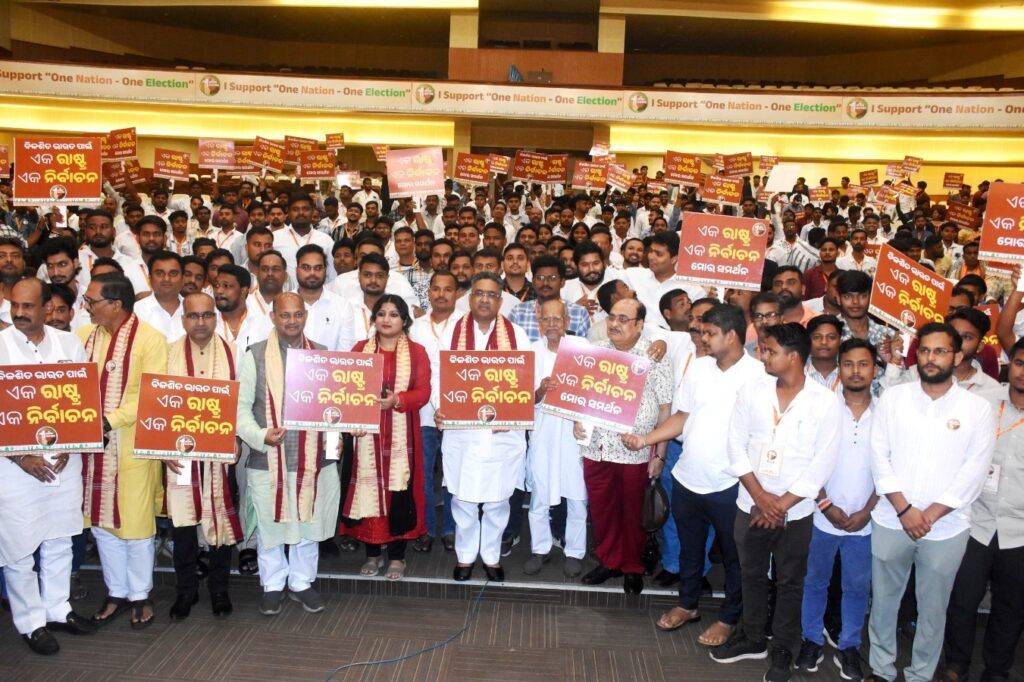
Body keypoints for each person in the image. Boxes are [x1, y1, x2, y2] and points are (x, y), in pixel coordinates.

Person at [627, 303, 763, 646]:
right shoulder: (699, 368)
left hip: (731, 484)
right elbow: (681, 416)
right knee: (690, 549)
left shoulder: (759, 376)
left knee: (735, 557)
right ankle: (687, 604)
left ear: (731, 336)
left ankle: (729, 617)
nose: (702, 339)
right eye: (701, 332)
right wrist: (646, 440)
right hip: (688, 477)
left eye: (710, 333)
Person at [867, 322, 995, 682]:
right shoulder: (893, 398)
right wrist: (905, 510)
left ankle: (920, 675)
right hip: (892, 518)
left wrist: (931, 514)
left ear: (957, 356)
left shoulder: (977, 408)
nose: (930, 358)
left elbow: (975, 470)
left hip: (947, 527)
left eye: (940, 351)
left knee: (933, 610)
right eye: (924, 350)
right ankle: (881, 669)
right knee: (884, 603)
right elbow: (879, 456)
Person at [713, 323, 841, 682]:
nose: (763, 355)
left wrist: (780, 505)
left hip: (795, 512)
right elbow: (735, 444)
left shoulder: (825, 402)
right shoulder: (752, 390)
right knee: (751, 574)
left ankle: (784, 646)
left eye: (770, 350)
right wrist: (759, 496)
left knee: (790, 582)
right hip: (749, 504)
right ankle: (753, 637)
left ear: (794, 356)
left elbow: (822, 463)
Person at [0, 279, 97, 655]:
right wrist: (20, 458)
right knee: (19, 547)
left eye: (28, 306)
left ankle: (58, 609)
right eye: (15, 305)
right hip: (13, 468)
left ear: (46, 308)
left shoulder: (69, 344)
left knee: (60, 538)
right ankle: (30, 622)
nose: (19, 313)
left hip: (63, 460)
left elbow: (83, 403)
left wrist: (75, 440)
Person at [236, 292, 341, 616]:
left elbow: (335, 406)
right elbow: (240, 410)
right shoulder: (254, 355)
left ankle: (301, 582)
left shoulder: (322, 355)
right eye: (285, 315)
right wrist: (261, 436)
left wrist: (337, 437)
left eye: (297, 314)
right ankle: (272, 584)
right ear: (273, 317)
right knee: (270, 527)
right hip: (268, 458)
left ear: (305, 316)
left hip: (314, 459)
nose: (292, 321)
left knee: (309, 524)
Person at [76, 273, 168, 629]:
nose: (86, 306)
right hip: (91, 449)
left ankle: (140, 594)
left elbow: (149, 394)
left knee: (136, 524)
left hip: (132, 446)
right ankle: (116, 591)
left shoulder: (150, 339)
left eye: (92, 301)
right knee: (101, 522)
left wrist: (106, 421)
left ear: (116, 305)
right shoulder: (83, 336)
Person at [431, 272, 531, 582]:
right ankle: (465, 556)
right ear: (470, 298)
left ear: (500, 301)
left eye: (491, 294)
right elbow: (438, 375)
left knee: (498, 499)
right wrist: (441, 406)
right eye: (479, 293)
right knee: (462, 497)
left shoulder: (516, 335)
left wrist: (510, 412)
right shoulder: (452, 333)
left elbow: (524, 379)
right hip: (463, 431)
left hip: (502, 432)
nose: (485, 299)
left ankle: (490, 556)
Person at [938, 336, 1024, 682]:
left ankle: (997, 670)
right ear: (1009, 364)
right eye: (1019, 363)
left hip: (1020, 530)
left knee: (1011, 606)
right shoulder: (983, 403)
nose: (1023, 372)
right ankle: (956, 665)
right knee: (962, 598)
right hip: (975, 520)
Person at [575, 297, 673, 595]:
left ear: (640, 325)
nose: (615, 324)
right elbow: (581, 396)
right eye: (612, 317)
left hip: (636, 451)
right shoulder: (596, 352)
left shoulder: (654, 356)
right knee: (602, 509)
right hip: (597, 447)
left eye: (623, 319)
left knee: (632, 512)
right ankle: (609, 561)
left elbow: (665, 411)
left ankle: (632, 566)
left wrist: (659, 455)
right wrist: (577, 421)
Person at [794, 338, 878, 680]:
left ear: (875, 369)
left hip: (866, 520)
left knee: (857, 588)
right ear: (839, 369)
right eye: (849, 364)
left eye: (863, 364)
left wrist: (868, 511)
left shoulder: (885, 414)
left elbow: (891, 468)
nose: (856, 371)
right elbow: (808, 459)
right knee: (815, 582)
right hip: (821, 515)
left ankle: (849, 646)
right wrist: (826, 504)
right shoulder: (824, 409)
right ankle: (811, 639)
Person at [339, 295, 430, 581]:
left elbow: (423, 392)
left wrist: (397, 400)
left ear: (405, 320)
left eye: (393, 314)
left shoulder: (417, 352)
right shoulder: (359, 350)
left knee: (397, 492)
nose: (386, 319)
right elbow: (345, 390)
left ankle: (397, 557)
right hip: (366, 434)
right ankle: (372, 554)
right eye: (381, 313)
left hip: (402, 435)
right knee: (368, 490)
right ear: (373, 319)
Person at [163, 293, 241, 620]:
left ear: (216, 318)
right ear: (183, 320)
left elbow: (241, 403)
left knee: (220, 518)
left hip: (220, 453)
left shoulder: (234, 353)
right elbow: (157, 404)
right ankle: (186, 590)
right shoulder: (167, 354)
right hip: (179, 452)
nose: (200, 322)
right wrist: (162, 448)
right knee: (182, 526)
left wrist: (236, 439)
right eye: (193, 316)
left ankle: (219, 589)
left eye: (207, 315)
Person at [524, 299, 588, 578]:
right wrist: (540, 391)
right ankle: (540, 547)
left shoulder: (582, 349)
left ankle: (575, 551)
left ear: (567, 322)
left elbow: (594, 391)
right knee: (540, 492)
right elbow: (522, 400)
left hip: (575, 431)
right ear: (539, 322)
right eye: (546, 319)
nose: (551, 324)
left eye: (557, 319)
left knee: (577, 494)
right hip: (543, 431)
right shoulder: (532, 352)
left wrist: (582, 419)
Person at [407, 271, 459, 553]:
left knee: (453, 474)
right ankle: (425, 528)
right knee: (423, 475)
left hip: (458, 411)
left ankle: (451, 529)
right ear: (428, 293)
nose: (441, 294)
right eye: (436, 289)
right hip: (424, 412)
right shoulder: (415, 327)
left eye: (447, 289)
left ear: (457, 293)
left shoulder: (467, 325)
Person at [509, 254, 590, 341]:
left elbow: (583, 348)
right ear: (533, 282)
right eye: (540, 278)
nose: (545, 283)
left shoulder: (579, 313)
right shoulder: (518, 313)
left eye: (552, 278)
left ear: (562, 282)